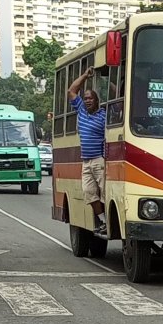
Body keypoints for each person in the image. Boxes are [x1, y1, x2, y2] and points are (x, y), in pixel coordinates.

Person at [68, 67, 107, 235]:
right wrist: (85, 75)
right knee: (89, 193)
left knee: (105, 193)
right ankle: (103, 220)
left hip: (99, 159)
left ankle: (107, 222)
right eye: (85, 98)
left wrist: (108, 81)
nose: (88, 101)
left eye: (91, 98)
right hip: (86, 161)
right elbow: (71, 90)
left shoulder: (104, 115)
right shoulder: (82, 111)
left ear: (96, 100)